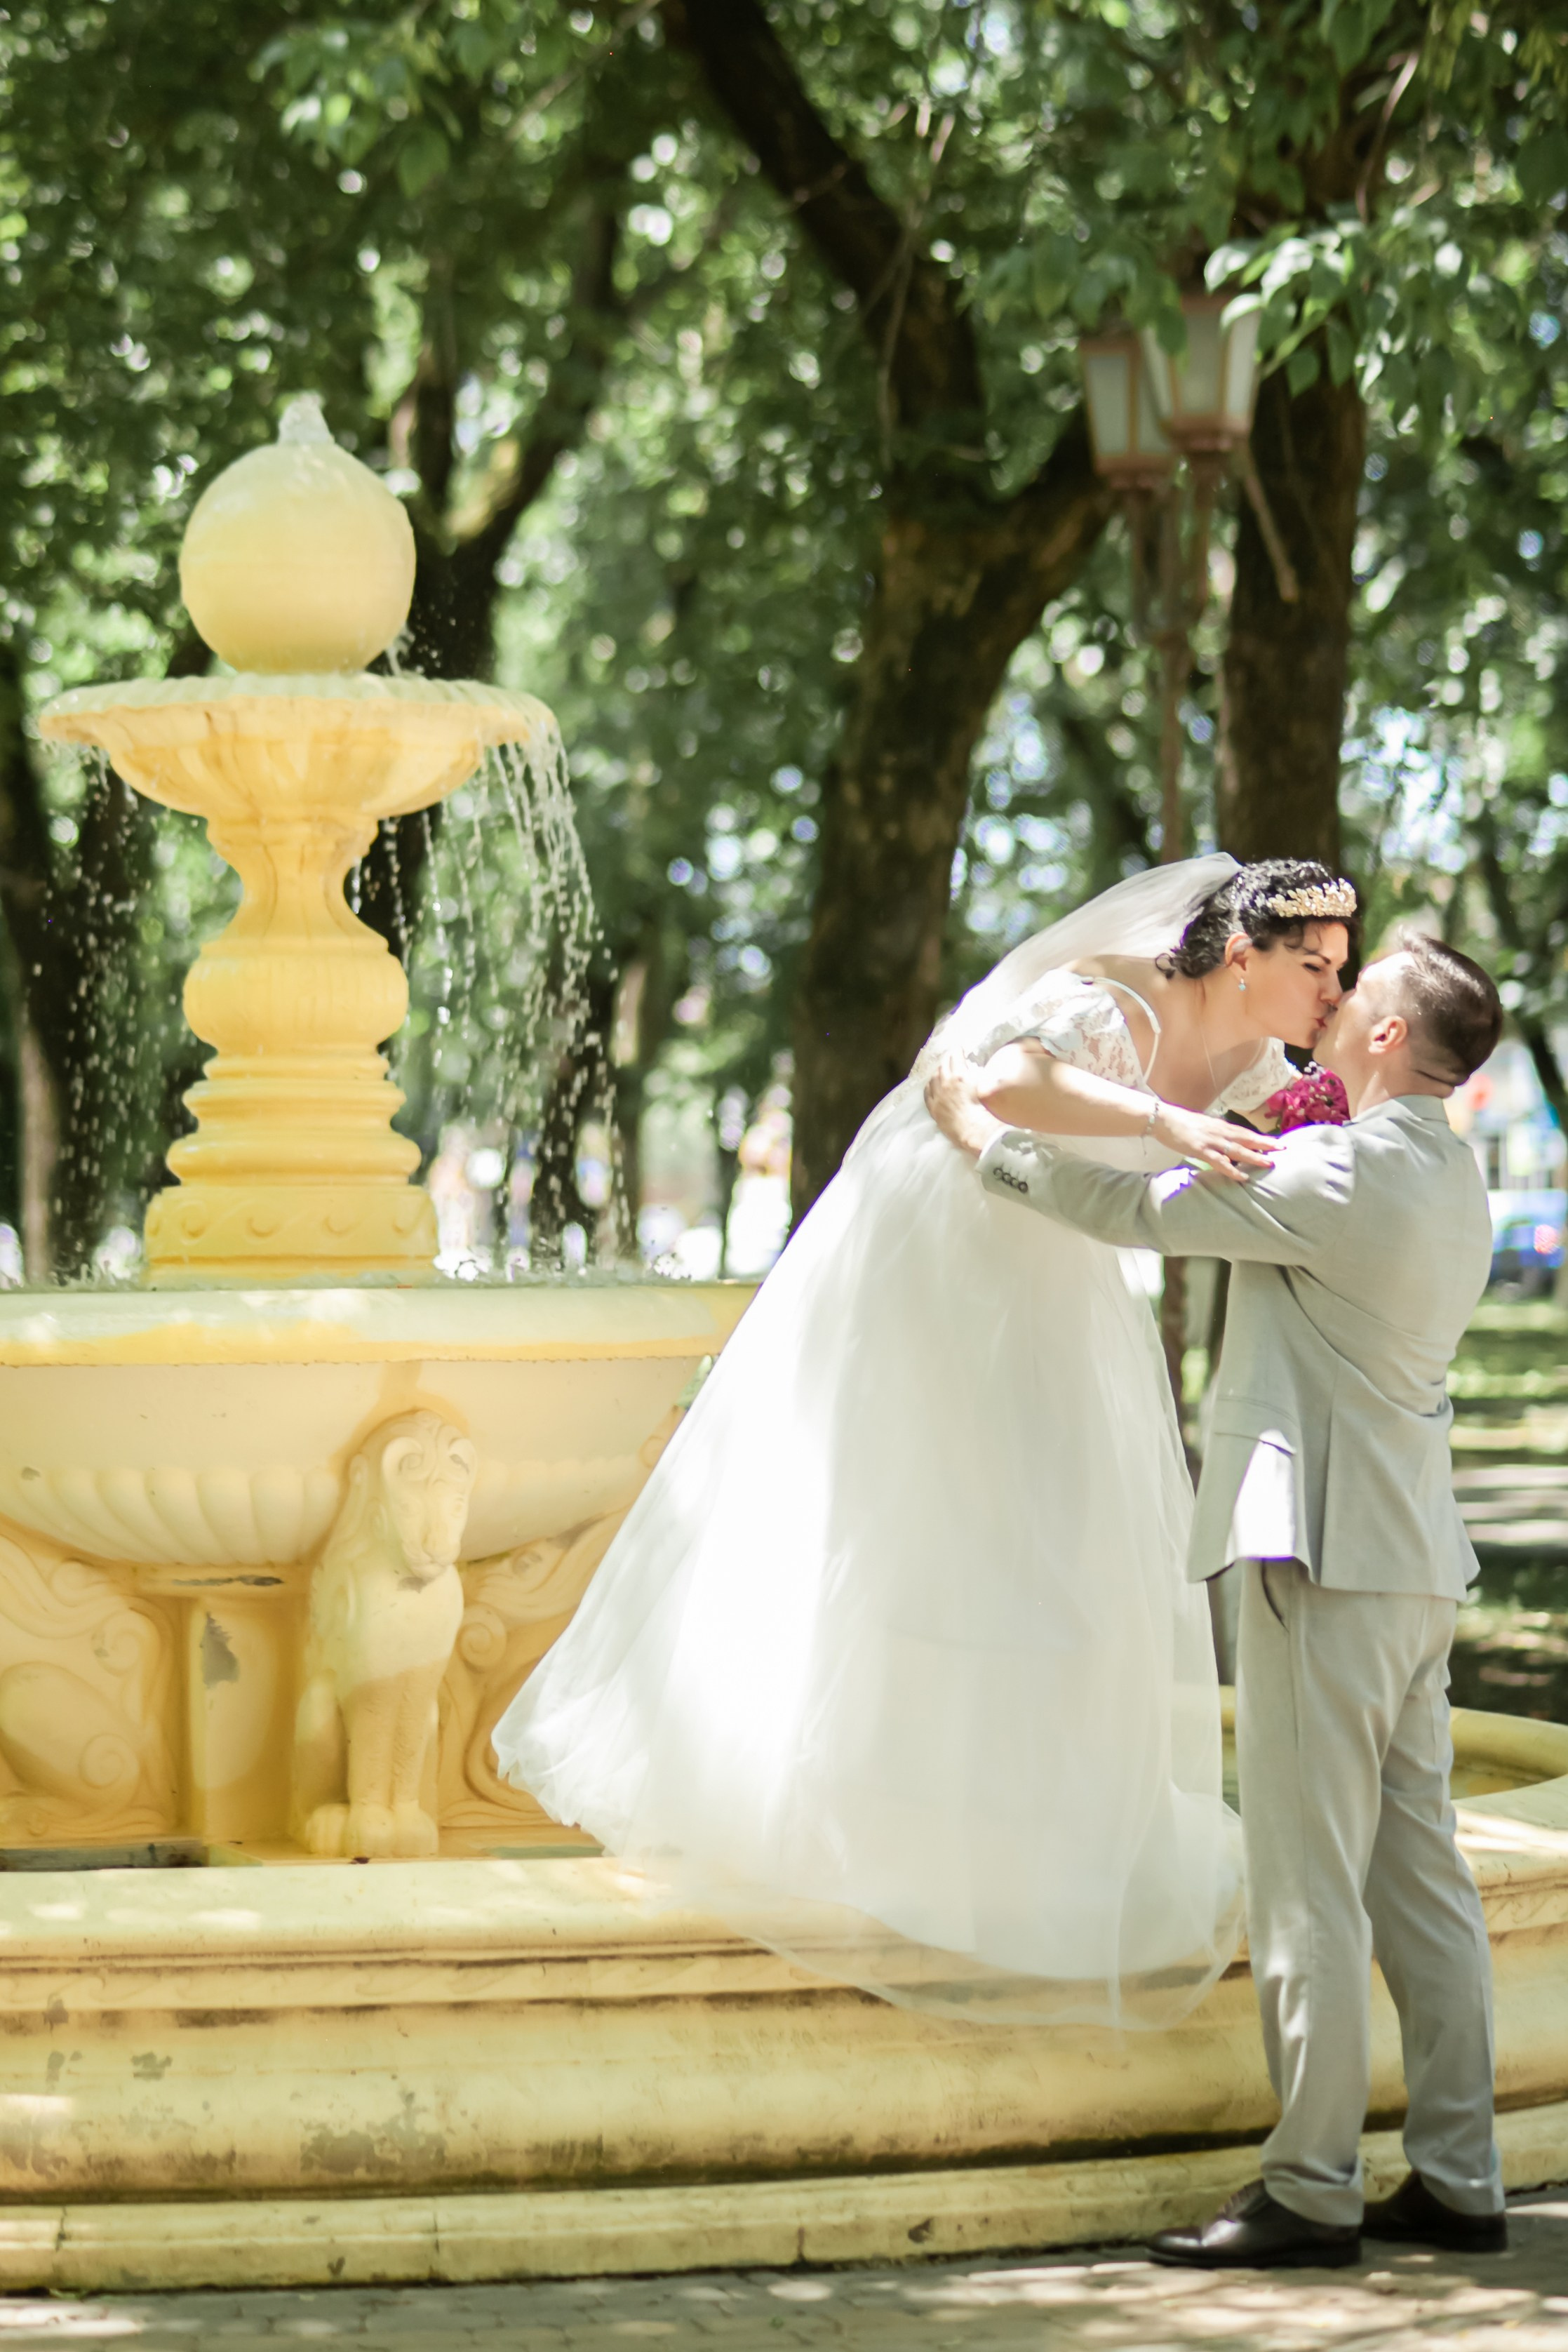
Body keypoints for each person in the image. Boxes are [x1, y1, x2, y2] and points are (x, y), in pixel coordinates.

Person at [493, 855, 1351, 2028]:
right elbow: (1008, 1082)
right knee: (933, 1513)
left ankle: (1031, 1827)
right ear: (1243, 958)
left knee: (1064, 1534)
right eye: (1313, 967)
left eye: (1343, 973)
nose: (1328, 993)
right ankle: (856, 1822)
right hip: (955, 1243)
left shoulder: (1262, 1064)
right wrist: (1165, 1121)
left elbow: (1303, 1150)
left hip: (1063, 1263)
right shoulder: (1118, 1000)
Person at [925, 928, 1507, 2264]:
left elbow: (1140, 1214)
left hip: (1325, 1553)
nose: (1335, 996)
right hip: (1418, 1562)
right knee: (1423, 1877)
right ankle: (1461, 2177)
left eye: (1354, 991)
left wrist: (986, 1138)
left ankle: (1311, 2189)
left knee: (1308, 1880)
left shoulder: (1334, 1169)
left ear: (1380, 1040)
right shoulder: (1454, 1177)